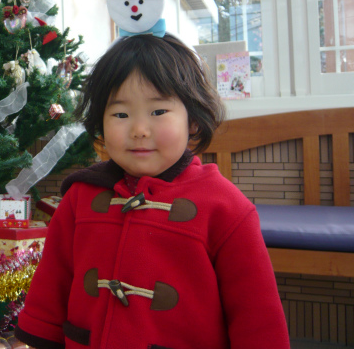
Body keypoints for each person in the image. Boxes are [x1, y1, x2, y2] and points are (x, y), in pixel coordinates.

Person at [15, 33, 290, 349]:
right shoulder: (81, 197)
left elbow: (257, 317)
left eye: (158, 112)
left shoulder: (226, 208)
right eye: (120, 114)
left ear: (193, 121)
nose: (139, 130)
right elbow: (52, 282)